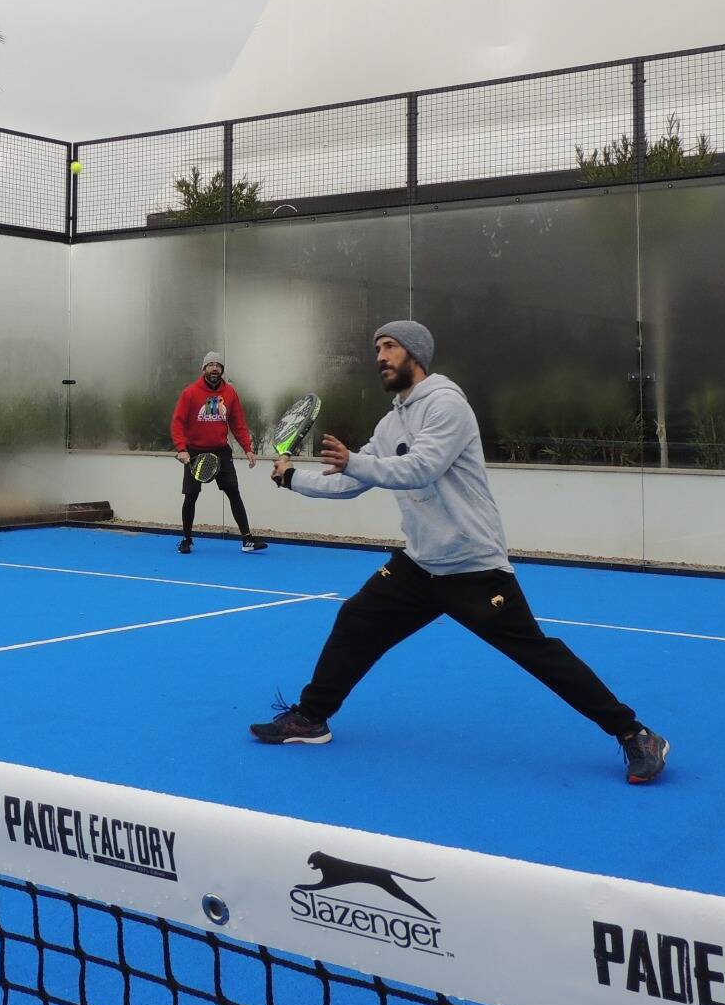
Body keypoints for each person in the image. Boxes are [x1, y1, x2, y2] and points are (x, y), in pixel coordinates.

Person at [254, 321, 669, 785]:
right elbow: (352, 482)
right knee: (355, 619)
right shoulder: (390, 424)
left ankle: (635, 733)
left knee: (538, 654)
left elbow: (420, 468)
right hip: (419, 567)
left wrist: (354, 460)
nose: (380, 357)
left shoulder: (447, 405)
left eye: (390, 347)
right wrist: (293, 478)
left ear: (416, 353)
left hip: (473, 567)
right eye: (377, 348)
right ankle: (311, 718)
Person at [170, 352, 268, 553]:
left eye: (218, 365)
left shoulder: (230, 393)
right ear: (204, 369)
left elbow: (238, 423)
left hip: (222, 453)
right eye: (210, 365)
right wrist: (181, 449)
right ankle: (187, 540)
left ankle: (247, 540)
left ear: (222, 370)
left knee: (234, 493)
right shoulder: (190, 393)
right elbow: (177, 423)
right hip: (194, 454)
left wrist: (248, 448)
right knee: (191, 497)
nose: (214, 368)